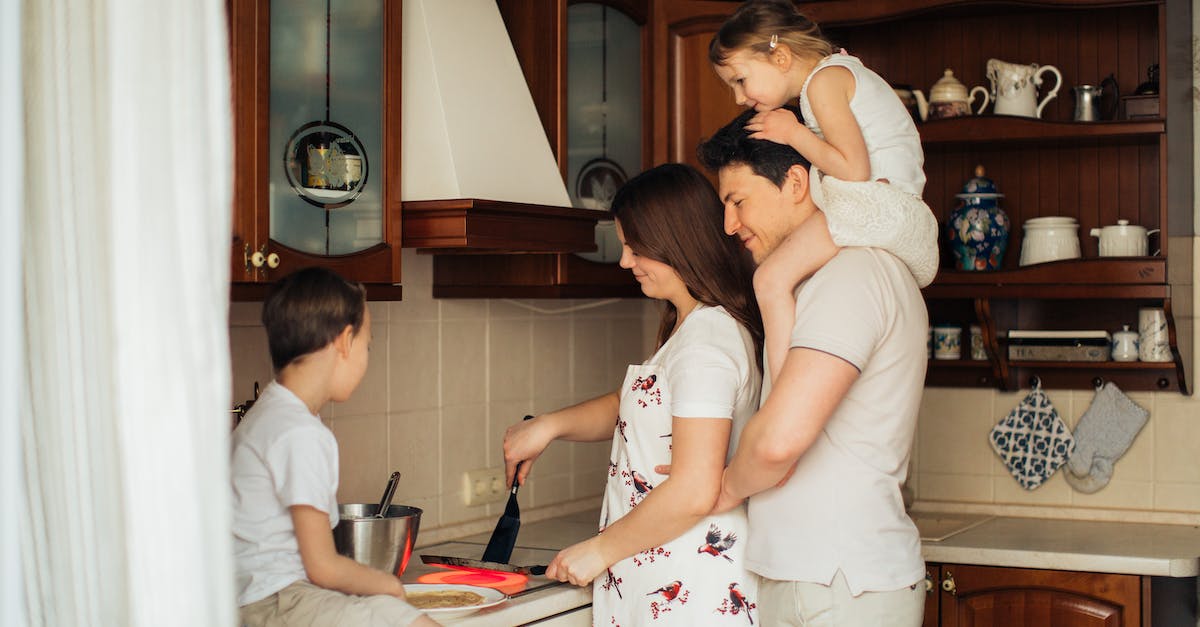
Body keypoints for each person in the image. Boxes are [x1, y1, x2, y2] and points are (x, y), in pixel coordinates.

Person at [501, 164, 763, 625]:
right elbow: (643, 403)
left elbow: (694, 490)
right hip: (665, 574)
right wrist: (549, 426)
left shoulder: (706, 343)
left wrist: (599, 550)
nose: (625, 261)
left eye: (635, 247)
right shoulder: (692, 328)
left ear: (676, 240)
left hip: (692, 590)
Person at [696, 110, 928, 625]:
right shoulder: (813, 278)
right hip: (818, 578)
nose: (729, 225)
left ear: (796, 182)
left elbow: (781, 441)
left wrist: (724, 486)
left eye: (738, 201)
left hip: (843, 584)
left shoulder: (855, 272)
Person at [710, 0, 938, 381]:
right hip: (891, 205)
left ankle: (780, 394)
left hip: (874, 204)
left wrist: (792, 133)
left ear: (780, 56)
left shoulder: (823, 84)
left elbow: (853, 169)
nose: (738, 98)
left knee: (770, 280)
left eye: (740, 80)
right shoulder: (837, 73)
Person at [231, 267, 439, 627]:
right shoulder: (301, 433)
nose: (366, 358)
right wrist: (387, 584)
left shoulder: (265, 415)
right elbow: (322, 566)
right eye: (367, 345)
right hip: (279, 603)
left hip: (253, 601)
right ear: (344, 341)